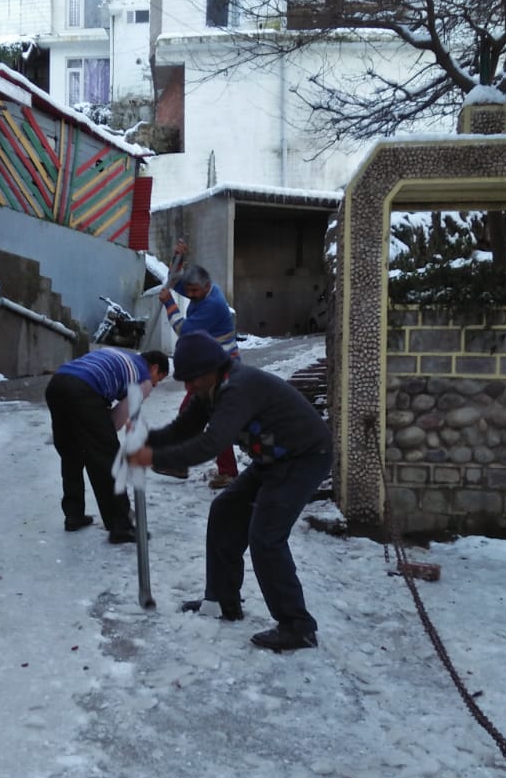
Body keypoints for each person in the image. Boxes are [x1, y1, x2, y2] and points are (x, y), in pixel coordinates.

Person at [127, 330, 332, 651]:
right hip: (272, 459)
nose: (188, 386)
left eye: (193, 379)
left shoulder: (238, 388)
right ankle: (223, 601)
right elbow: (183, 429)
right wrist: (147, 441)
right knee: (225, 511)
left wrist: (153, 457)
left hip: (304, 456)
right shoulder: (207, 390)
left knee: (266, 536)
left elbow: (212, 443)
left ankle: (297, 626)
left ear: (213, 369)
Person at [46, 346, 169, 544]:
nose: (153, 386)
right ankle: (120, 526)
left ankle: (73, 514)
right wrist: (101, 437)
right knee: (108, 459)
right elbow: (117, 420)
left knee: (71, 452)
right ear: (154, 368)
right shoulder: (143, 378)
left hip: (57, 383)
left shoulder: (121, 355)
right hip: (83, 390)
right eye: (158, 380)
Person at [157, 238, 239, 489]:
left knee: (210, 418)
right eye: (188, 292)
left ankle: (224, 471)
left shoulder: (213, 304)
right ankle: (187, 465)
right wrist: (177, 257)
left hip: (222, 369)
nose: (190, 296)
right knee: (195, 415)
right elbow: (174, 279)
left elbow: (184, 330)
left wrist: (169, 303)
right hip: (208, 368)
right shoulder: (200, 290)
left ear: (206, 286)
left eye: (194, 293)